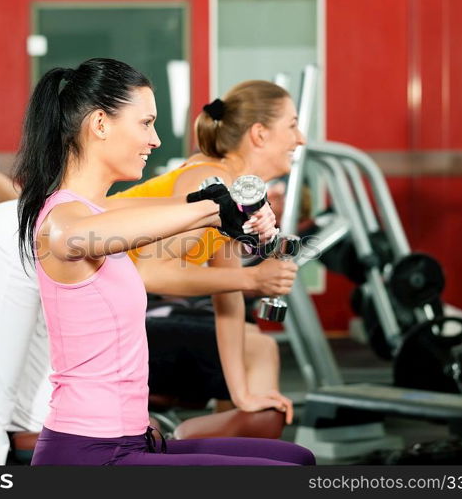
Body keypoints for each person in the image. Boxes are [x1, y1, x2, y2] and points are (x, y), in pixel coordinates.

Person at [16, 57, 313, 465]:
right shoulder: (61, 218)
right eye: (145, 123)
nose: (155, 140)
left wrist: (233, 215)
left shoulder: (99, 213)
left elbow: (165, 218)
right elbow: (79, 236)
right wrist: (220, 209)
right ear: (100, 124)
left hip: (132, 439)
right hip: (86, 452)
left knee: (297, 460)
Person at [110, 79, 305, 415]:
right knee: (259, 348)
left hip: (116, 315)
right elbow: (151, 273)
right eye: (292, 125)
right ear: (259, 134)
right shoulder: (211, 180)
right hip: (91, 322)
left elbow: (226, 300)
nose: (300, 138)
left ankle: (232, 444)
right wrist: (254, 280)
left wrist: (242, 394)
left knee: (252, 343)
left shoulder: (232, 190)